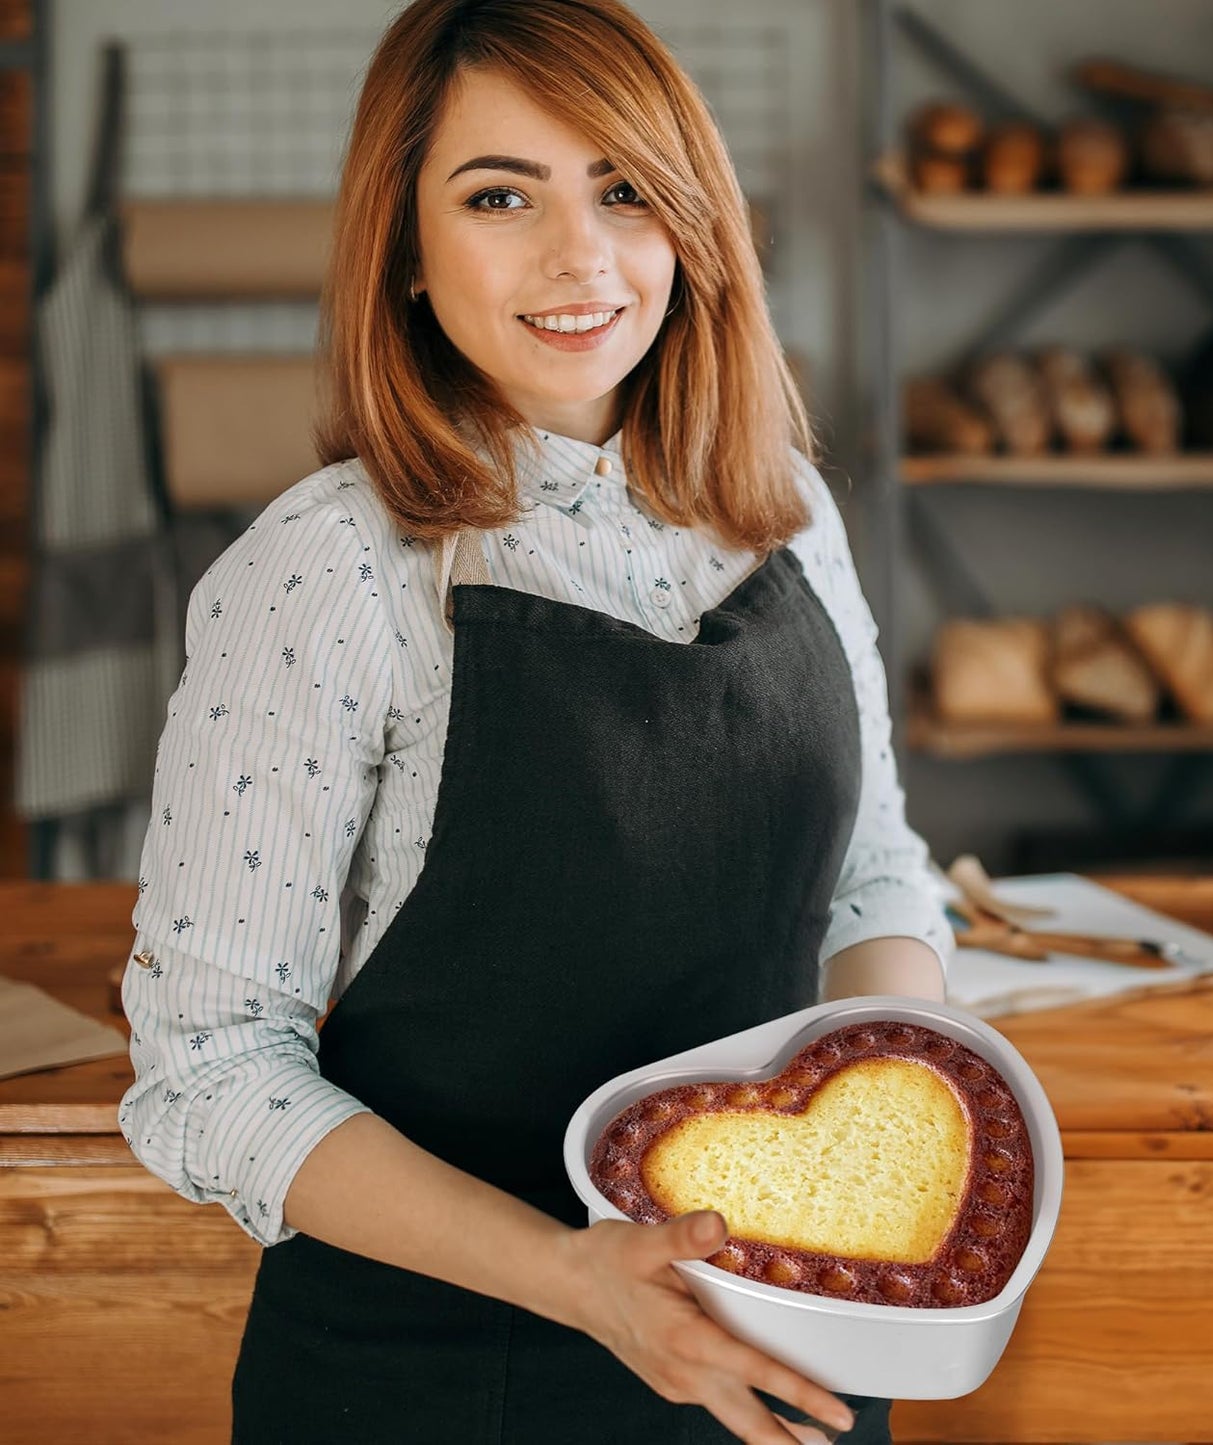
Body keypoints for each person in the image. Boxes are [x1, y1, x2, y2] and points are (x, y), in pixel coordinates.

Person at [119, 2, 953, 1440]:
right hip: (447, 1373)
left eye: (623, 189)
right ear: (403, 250)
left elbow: (869, 872)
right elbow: (209, 1072)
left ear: (692, 223)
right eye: (500, 195)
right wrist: (579, 1278)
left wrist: (899, 1127)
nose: (579, 258)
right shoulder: (327, 569)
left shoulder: (784, 509)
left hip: (798, 1343)